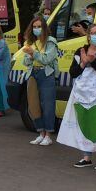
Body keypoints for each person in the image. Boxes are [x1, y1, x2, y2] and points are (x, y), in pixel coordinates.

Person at [57, 23, 96, 171]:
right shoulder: (80, 51)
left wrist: (93, 61)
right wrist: (83, 63)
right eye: (94, 33)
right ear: (89, 35)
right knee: (85, 123)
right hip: (82, 93)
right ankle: (86, 157)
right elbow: (73, 72)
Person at [22, 15, 60, 146]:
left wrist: (33, 54)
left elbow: (47, 59)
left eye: (39, 26)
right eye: (34, 27)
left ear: (44, 28)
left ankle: (48, 135)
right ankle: (41, 133)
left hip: (46, 74)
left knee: (48, 105)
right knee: (33, 105)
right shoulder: (30, 42)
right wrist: (30, 55)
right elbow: (25, 61)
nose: (36, 29)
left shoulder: (51, 41)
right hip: (33, 73)